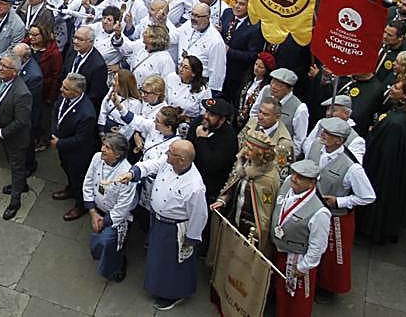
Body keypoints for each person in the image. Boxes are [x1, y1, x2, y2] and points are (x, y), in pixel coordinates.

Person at [304, 117, 375, 303]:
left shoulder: (352, 168)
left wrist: (340, 201)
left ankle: (328, 288)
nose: (322, 134)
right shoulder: (314, 147)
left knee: (333, 255)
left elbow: (368, 196)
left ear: (339, 140)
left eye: (329, 133)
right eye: (323, 131)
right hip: (311, 208)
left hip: (335, 217)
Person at [131, 139, 207, 311]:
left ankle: (174, 293)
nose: (166, 153)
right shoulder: (168, 163)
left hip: (174, 229)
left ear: (181, 160)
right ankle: (157, 285)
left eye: (170, 152)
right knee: (158, 258)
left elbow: (199, 214)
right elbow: (152, 165)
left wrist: (191, 238)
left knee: (173, 263)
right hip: (158, 220)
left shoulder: (194, 187)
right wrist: (134, 172)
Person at [358, 79, 406, 244]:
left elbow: (380, 148)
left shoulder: (395, 123)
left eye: (396, 88)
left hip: (384, 172)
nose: (391, 88)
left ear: (405, 95)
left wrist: (372, 133)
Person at [271, 160, 332, 317]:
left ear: (311, 183)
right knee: (281, 292)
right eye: (294, 173)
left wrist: (304, 267)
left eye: (300, 177)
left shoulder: (320, 213)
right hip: (280, 251)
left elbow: (318, 246)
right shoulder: (287, 184)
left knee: (297, 301)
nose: (294, 178)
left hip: (297, 259)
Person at [211, 130, 281, 255]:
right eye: (245, 147)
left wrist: (258, 233)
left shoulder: (268, 179)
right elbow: (232, 187)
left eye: (249, 149)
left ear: (259, 154)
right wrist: (223, 200)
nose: (245, 151)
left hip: (250, 231)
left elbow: (265, 212)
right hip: (233, 223)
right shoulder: (243, 165)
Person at [82, 132, 137, 283]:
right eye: (103, 145)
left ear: (118, 154)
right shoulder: (97, 157)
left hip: (115, 217)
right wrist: (92, 212)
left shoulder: (126, 175)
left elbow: (122, 208)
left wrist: (103, 222)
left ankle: (116, 266)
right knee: (101, 243)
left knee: (108, 243)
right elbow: (88, 182)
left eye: (108, 148)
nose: (102, 149)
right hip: (98, 211)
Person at [0, 53, 34, 219]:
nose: (0, 68)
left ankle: (15, 202)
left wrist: (1, 133)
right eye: (0, 64)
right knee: (12, 163)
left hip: (15, 138)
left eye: (5, 66)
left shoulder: (22, 93)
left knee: (17, 168)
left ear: (15, 72)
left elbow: (21, 121)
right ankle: (22, 185)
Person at [50, 72, 100, 221]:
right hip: (63, 146)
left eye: (66, 88)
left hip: (78, 154)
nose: (61, 89)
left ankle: (81, 205)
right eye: (63, 86)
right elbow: (56, 112)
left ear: (77, 92)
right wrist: (54, 132)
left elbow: (81, 139)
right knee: (66, 169)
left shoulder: (87, 113)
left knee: (78, 178)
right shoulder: (65, 97)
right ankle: (71, 189)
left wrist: (59, 143)